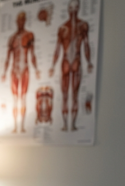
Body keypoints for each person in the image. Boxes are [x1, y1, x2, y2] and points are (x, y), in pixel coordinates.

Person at [49, 0, 94, 131]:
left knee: (74, 94)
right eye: (71, 8)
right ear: (68, 9)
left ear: (78, 8)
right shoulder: (62, 28)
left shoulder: (83, 25)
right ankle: (64, 124)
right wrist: (52, 65)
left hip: (76, 61)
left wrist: (89, 61)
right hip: (66, 62)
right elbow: (57, 48)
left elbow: (86, 44)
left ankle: (72, 124)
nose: (73, 10)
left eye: (76, 7)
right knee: (64, 95)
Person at [1, 11, 40, 134]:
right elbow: (8, 57)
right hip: (14, 69)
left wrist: (36, 69)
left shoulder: (29, 35)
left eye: (22, 20)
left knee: (22, 97)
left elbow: (32, 54)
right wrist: (4, 72)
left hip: (24, 69)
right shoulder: (12, 38)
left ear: (25, 21)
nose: (20, 22)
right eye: (18, 20)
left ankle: (21, 126)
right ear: (16, 22)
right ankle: (14, 126)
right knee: (14, 98)